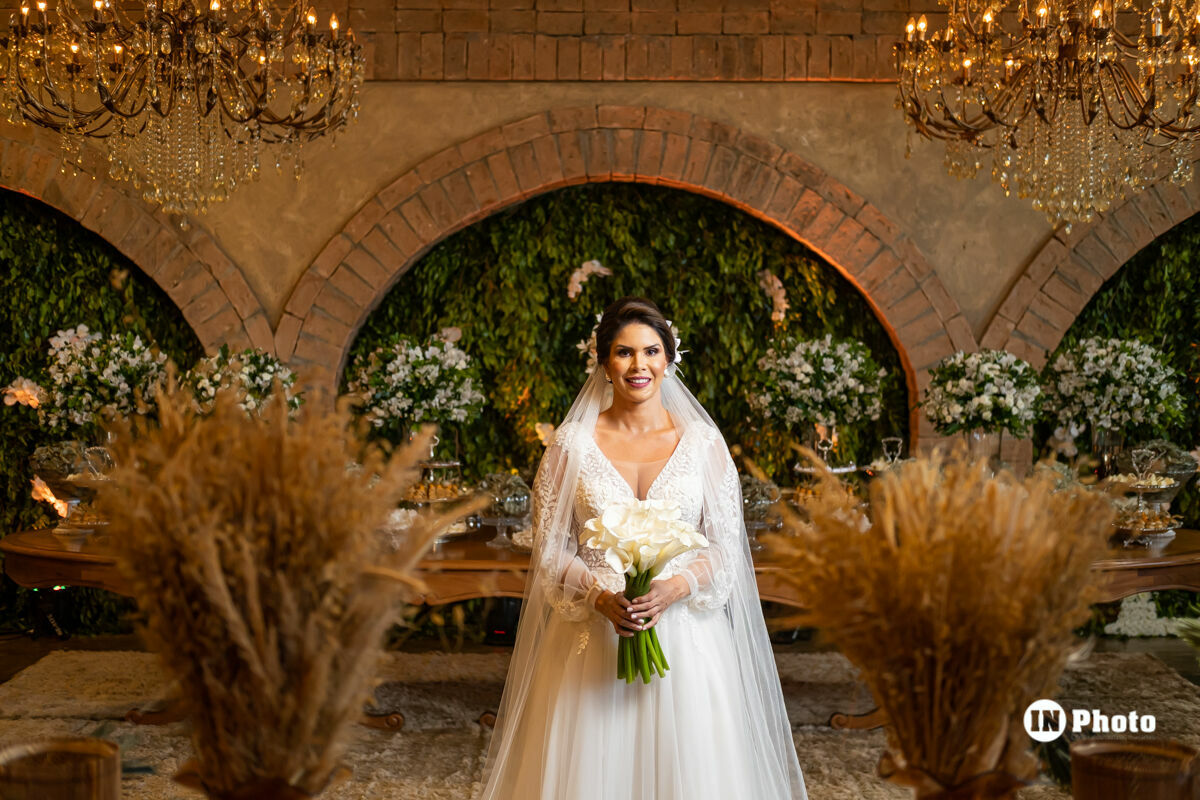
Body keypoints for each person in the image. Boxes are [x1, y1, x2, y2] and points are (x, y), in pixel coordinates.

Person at [479, 297, 807, 800]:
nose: (639, 365)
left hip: (687, 641)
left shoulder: (703, 444)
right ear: (604, 362)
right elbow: (550, 550)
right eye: (624, 352)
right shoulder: (570, 445)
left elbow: (724, 546)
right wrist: (600, 597)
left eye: (651, 351)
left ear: (670, 358)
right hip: (593, 638)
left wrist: (675, 586)